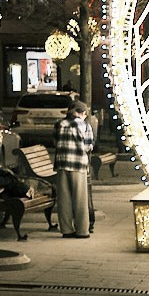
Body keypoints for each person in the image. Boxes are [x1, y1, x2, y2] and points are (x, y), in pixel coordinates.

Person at [51, 98, 96, 238]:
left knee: (64, 198)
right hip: (78, 165)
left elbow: (55, 142)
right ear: (81, 113)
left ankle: (66, 230)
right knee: (80, 198)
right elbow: (88, 146)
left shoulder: (59, 124)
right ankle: (82, 231)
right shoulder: (85, 126)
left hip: (62, 164)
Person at [0, 159, 36, 240]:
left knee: (17, 188)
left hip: (9, 190)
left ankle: (5, 224)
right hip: (5, 191)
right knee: (17, 199)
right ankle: (18, 234)